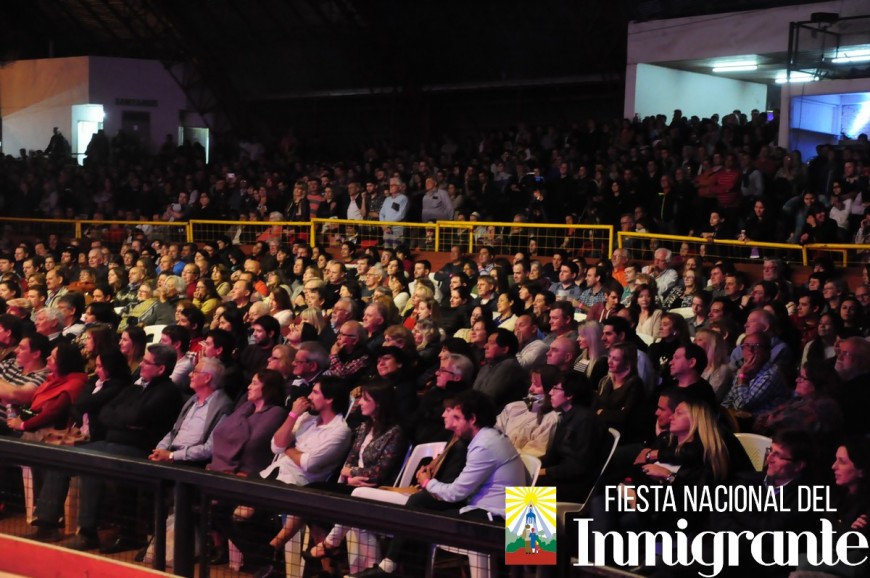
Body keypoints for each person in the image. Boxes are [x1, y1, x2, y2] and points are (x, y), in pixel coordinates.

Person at [348, 390, 527, 578]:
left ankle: (389, 568)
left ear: (473, 419)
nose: (451, 422)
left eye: (457, 417)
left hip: (500, 518)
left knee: (421, 515)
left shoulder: (484, 445)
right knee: (420, 509)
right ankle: (389, 567)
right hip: (497, 510)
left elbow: (456, 493)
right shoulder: (489, 438)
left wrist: (427, 482)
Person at [300, 382, 408, 567]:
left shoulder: (395, 433)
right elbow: (350, 459)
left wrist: (352, 472)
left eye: (365, 399)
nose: (359, 403)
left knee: (341, 504)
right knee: (309, 493)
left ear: (379, 403)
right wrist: (350, 475)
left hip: (374, 489)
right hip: (352, 484)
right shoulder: (365, 427)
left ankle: (332, 548)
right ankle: (333, 554)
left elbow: (380, 471)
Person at [538, 371, 608, 502]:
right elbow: (553, 456)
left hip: (574, 487)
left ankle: (524, 516)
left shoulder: (585, 421)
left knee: (519, 490)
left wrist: (544, 472)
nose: (550, 392)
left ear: (569, 395)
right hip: (563, 478)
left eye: (555, 388)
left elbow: (578, 467)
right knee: (516, 478)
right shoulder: (568, 416)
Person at [495, 365, 561, 457]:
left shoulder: (552, 419)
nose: (530, 389)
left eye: (536, 385)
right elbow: (493, 433)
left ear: (550, 390)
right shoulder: (513, 407)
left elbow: (533, 454)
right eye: (531, 383)